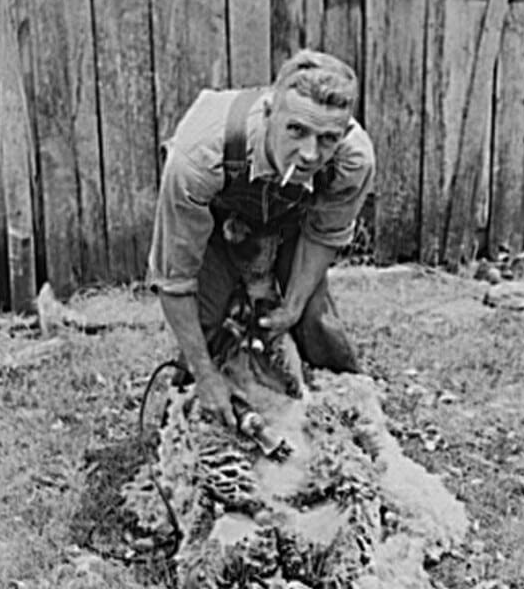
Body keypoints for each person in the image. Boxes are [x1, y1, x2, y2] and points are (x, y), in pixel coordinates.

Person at [146, 49, 376, 428]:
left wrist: (293, 306)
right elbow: (174, 280)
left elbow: (324, 233)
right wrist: (205, 375)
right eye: (296, 131)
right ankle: (199, 410)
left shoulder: (353, 159)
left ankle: (341, 418)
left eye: (327, 139)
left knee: (313, 320)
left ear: (345, 133)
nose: (309, 154)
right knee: (206, 323)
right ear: (270, 113)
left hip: (291, 218)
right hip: (219, 219)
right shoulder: (199, 157)